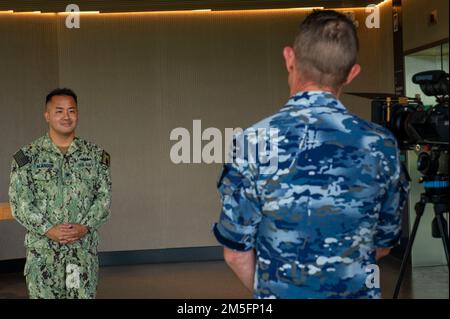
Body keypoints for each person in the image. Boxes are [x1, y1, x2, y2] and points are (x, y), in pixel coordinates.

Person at [212, 10, 409, 298]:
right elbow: (384, 243)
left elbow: (235, 254)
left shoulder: (253, 142)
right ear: (353, 73)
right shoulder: (381, 144)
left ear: (289, 58)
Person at [9, 88, 111, 299]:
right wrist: (48, 229)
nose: (66, 116)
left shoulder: (95, 156)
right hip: (43, 256)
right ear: (47, 115)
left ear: (78, 114)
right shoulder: (27, 157)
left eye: (71, 111)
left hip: (81, 255)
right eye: (59, 111)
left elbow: (103, 197)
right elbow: (20, 203)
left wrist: (84, 227)